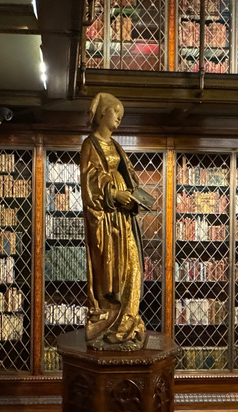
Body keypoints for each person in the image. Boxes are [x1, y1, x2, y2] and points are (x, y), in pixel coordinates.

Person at [81, 92, 146, 351]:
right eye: (115, 113)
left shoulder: (117, 146)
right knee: (112, 275)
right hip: (106, 221)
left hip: (122, 218)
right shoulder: (90, 144)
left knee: (134, 269)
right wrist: (112, 192)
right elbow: (88, 180)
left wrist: (132, 197)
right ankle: (111, 324)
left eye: (121, 115)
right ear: (101, 114)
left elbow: (128, 175)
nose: (118, 118)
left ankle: (128, 325)